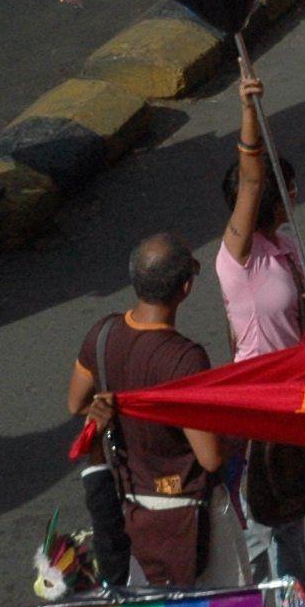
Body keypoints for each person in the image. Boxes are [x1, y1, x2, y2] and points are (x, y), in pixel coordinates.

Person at [68, 235, 244, 588]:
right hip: (187, 510)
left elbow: (76, 403)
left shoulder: (101, 335)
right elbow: (209, 457)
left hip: (131, 505)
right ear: (186, 287)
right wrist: (246, 427)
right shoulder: (184, 359)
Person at [217, 72, 305, 595]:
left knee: (292, 512)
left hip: (293, 394)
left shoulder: (287, 244)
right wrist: (247, 110)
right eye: (287, 188)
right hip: (259, 403)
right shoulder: (236, 257)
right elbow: (252, 177)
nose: (295, 195)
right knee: (265, 525)